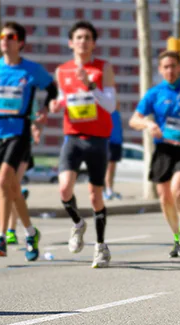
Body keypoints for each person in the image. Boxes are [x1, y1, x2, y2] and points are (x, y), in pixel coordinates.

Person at [0, 21, 57, 261]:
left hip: (20, 132)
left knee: (7, 180)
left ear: (21, 42)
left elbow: (53, 88)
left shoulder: (31, 70)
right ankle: (30, 233)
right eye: (2, 35)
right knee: (9, 189)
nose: (5, 39)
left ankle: (0, 237)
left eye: (10, 36)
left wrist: (45, 109)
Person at [49, 21, 117, 268]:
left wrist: (90, 85)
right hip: (73, 137)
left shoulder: (102, 68)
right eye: (78, 37)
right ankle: (78, 222)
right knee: (64, 188)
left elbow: (110, 105)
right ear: (71, 43)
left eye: (88, 37)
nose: (83, 41)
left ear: (93, 43)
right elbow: (62, 99)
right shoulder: (62, 71)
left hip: (98, 139)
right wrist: (55, 106)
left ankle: (100, 246)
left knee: (94, 195)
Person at [129, 51, 180, 258]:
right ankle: (176, 236)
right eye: (165, 67)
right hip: (164, 149)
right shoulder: (154, 93)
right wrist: (148, 123)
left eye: (173, 66)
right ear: (160, 70)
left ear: (179, 67)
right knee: (165, 197)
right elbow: (134, 120)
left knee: (178, 189)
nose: (170, 70)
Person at [0, 98, 41, 244]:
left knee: (8, 187)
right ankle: (30, 231)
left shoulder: (24, 87)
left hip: (20, 143)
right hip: (0, 143)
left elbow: (35, 117)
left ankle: (9, 231)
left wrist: (35, 129)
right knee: (0, 192)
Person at [104, 110, 124, 201]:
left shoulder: (116, 112)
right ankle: (107, 190)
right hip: (109, 140)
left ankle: (110, 189)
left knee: (113, 167)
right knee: (109, 167)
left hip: (117, 141)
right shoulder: (106, 110)